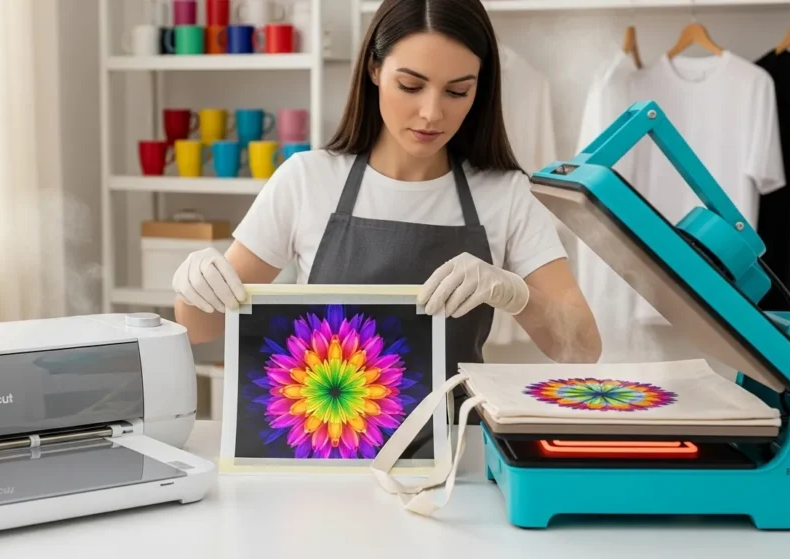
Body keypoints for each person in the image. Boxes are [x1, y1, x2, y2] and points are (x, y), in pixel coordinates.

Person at [172, 0, 602, 419]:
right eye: (411, 86)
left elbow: (582, 349)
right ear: (374, 70)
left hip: (455, 455)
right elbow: (200, 328)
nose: (432, 113)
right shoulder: (307, 179)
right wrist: (194, 286)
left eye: (457, 91)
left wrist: (515, 294)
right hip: (328, 449)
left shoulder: (505, 193)